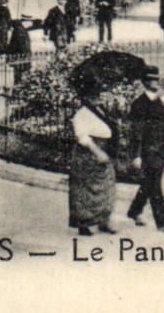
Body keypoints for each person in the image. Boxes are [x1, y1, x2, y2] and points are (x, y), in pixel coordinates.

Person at [127, 68, 164, 231]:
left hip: (160, 150)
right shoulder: (139, 104)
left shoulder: (159, 102)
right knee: (155, 186)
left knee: (149, 184)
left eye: (157, 79)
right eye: (152, 80)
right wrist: (136, 155)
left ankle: (134, 211)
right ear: (145, 82)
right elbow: (136, 132)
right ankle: (161, 222)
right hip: (147, 151)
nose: (156, 83)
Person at [69, 95, 118, 237]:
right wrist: (98, 152)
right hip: (89, 153)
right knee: (85, 189)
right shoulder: (82, 114)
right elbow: (83, 137)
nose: (101, 97)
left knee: (106, 186)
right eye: (97, 94)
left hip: (103, 148)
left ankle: (103, 220)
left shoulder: (100, 111)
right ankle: (83, 224)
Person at [5, 16, 33, 85]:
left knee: (20, 75)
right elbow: (22, 45)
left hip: (20, 57)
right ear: (26, 22)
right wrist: (27, 55)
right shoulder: (20, 30)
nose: (31, 24)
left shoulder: (21, 29)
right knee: (20, 76)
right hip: (21, 57)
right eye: (30, 22)